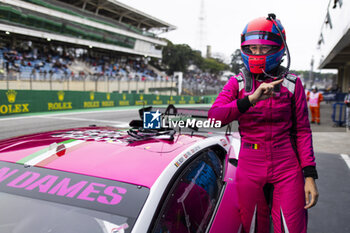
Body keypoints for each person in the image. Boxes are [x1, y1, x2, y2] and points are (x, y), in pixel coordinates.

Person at [208, 14, 318, 233]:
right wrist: (250, 99)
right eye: (252, 48)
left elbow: (303, 131)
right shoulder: (237, 82)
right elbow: (215, 117)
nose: (257, 54)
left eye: (264, 49)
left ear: (279, 47)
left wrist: (310, 176)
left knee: (291, 228)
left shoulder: (292, 82)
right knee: (252, 227)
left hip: (287, 165)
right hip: (250, 163)